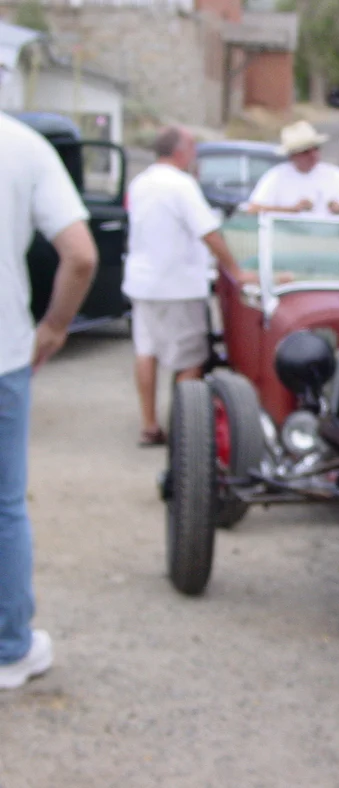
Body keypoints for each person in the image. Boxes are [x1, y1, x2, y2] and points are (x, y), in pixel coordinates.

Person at [0, 113, 99, 689]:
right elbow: (81, 256)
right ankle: (10, 650)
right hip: (4, 353)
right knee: (4, 508)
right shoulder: (24, 145)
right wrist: (56, 326)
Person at [122, 125, 255, 446]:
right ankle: (186, 426)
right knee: (191, 359)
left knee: (147, 350)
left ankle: (149, 423)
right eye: (192, 147)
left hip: (143, 282)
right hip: (177, 283)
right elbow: (208, 232)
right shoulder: (182, 186)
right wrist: (235, 270)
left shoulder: (140, 182)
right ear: (180, 152)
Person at [245, 121, 339, 217]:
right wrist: (292, 210)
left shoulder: (335, 175)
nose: (313, 155)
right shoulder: (276, 176)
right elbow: (253, 209)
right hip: (285, 240)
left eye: (316, 148)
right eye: (306, 152)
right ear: (293, 155)